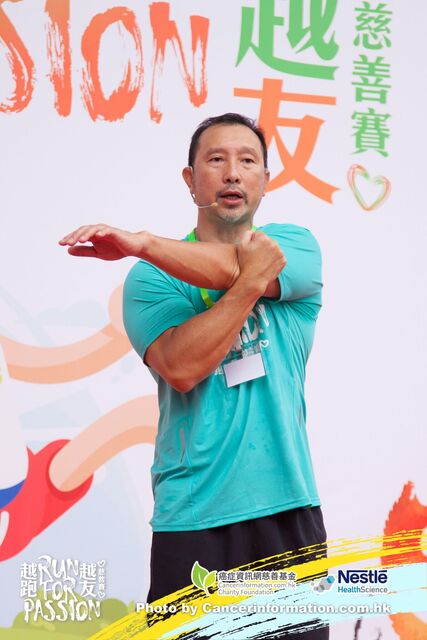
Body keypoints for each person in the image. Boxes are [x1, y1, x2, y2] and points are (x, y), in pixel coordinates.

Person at [60, 113, 328, 639]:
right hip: (195, 518)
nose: (232, 173)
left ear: (265, 179)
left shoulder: (293, 246)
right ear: (190, 179)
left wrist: (143, 241)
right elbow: (182, 369)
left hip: (288, 513)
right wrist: (248, 283)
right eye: (216, 159)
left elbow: (245, 264)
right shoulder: (149, 280)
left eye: (247, 161)